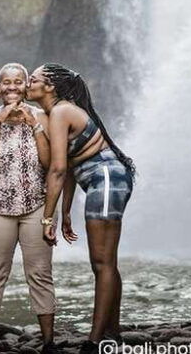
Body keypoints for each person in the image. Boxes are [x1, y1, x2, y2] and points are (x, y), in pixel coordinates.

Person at [27, 63, 135, 353]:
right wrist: (65, 212)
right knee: (105, 261)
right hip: (101, 181)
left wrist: (47, 218)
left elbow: (58, 169)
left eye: (33, 79)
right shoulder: (57, 112)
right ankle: (112, 332)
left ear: (49, 85)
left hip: (108, 179)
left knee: (101, 262)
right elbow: (71, 168)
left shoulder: (61, 111)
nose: (28, 82)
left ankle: (94, 341)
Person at [0, 63, 59, 354]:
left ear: (26, 86)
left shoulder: (43, 117)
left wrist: (32, 124)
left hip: (36, 206)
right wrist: (0, 120)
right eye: (6, 82)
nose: (12, 87)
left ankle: (49, 343)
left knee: (40, 273)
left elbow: (49, 164)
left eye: (18, 82)